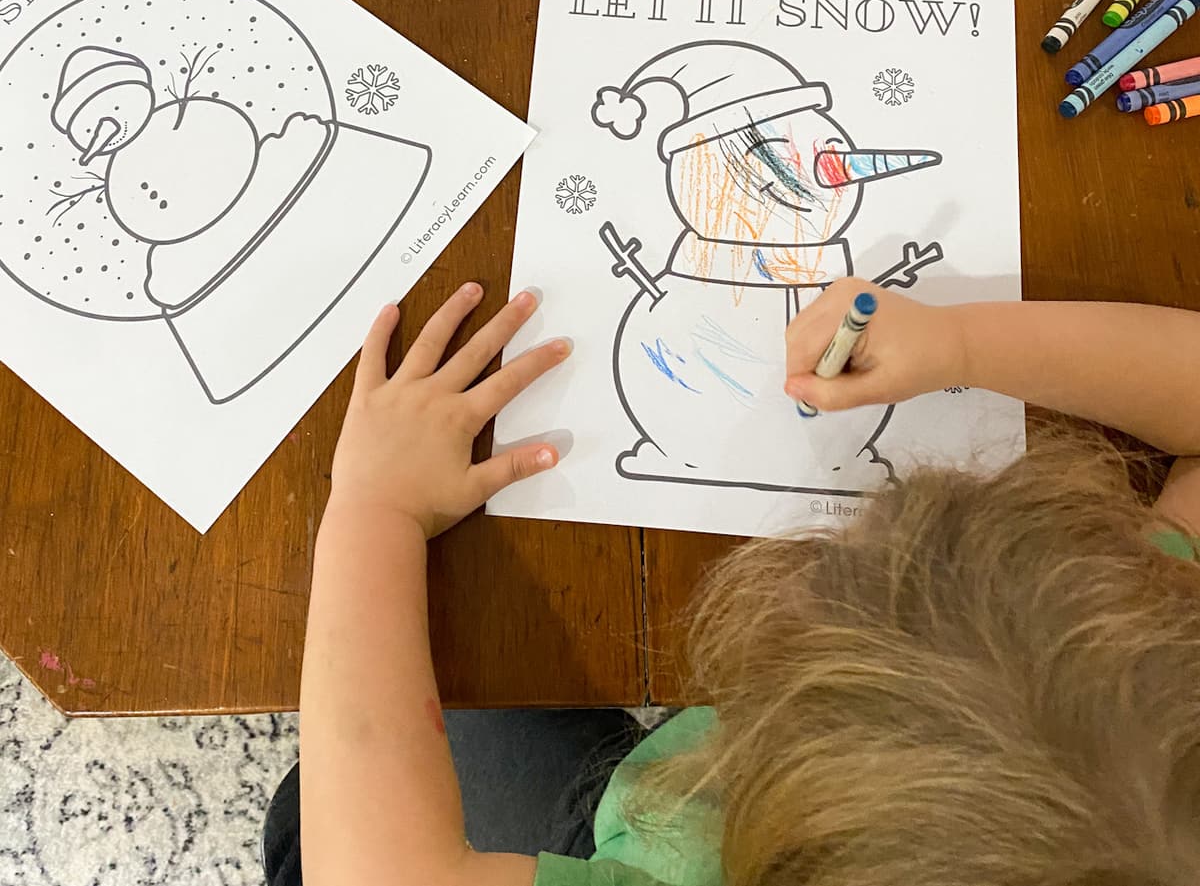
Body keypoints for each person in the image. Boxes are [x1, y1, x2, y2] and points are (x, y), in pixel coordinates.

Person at [264, 278, 1200, 886]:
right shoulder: (1134, 663)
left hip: (626, 828)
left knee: (310, 817)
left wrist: (374, 508)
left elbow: (372, 870)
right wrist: (955, 343)